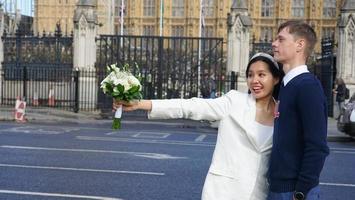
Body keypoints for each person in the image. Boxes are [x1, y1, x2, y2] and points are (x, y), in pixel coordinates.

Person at [115, 53, 284, 200]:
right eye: (250, 75)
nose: (254, 80)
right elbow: (189, 107)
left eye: (261, 75)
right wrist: (141, 104)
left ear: (275, 78)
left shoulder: (284, 113)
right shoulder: (234, 102)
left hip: (259, 194)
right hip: (223, 193)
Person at [267, 20, 329, 200]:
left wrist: (301, 192)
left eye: (280, 39)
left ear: (299, 45)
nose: (274, 43)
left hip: (293, 192)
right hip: (278, 188)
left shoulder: (307, 86)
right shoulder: (287, 85)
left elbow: (317, 146)